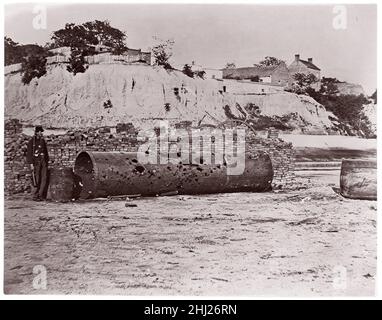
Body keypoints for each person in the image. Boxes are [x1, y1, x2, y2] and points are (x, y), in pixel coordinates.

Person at [26, 126, 49, 201]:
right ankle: (35, 195)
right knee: (36, 178)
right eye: (39, 132)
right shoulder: (32, 142)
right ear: (36, 132)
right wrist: (31, 164)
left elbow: (45, 152)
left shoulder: (42, 141)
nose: (40, 133)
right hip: (36, 162)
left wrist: (47, 161)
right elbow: (29, 153)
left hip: (43, 162)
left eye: (41, 132)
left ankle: (40, 195)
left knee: (44, 178)